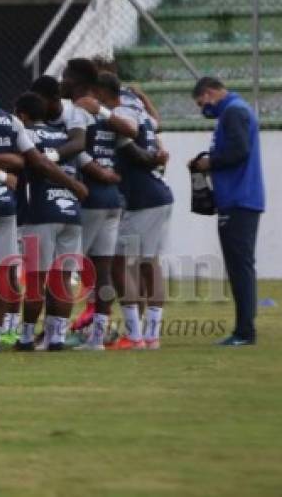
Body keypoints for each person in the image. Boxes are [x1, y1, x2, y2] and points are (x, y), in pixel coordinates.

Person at [0, 69, 88, 352]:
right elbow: (26, 160)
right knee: (5, 272)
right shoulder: (12, 122)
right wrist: (74, 185)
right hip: (11, 206)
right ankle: (0, 337)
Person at [59, 58, 136, 350]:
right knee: (101, 271)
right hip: (112, 200)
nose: (61, 82)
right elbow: (132, 132)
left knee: (66, 268)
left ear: (76, 82)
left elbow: (77, 150)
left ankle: (55, 332)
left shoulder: (77, 111)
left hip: (90, 198)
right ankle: (96, 339)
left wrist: (96, 171)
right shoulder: (105, 113)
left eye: (65, 77)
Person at [94, 72, 171, 350]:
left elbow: (134, 143)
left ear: (102, 92)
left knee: (119, 264)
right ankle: (150, 336)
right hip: (158, 194)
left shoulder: (120, 116)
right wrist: (145, 99)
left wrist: (152, 159)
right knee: (149, 264)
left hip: (142, 197)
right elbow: (156, 125)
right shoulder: (137, 109)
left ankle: (136, 336)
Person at [189, 76, 265, 347]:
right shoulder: (236, 111)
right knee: (240, 266)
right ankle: (244, 327)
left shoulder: (234, 112)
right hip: (239, 198)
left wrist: (209, 162)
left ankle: (245, 331)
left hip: (238, 199)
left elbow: (239, 151)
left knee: (239, 267)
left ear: (210, 93)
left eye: (202, 103)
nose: (203, 109)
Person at [13, 92, 86, 352]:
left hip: (41, 213)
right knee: (63, 278)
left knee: (36, 279)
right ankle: (56, 338)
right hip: (70, 213)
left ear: (22, 115)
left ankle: (26, 339)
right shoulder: (64, 136)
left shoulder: (27, 135)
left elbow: (36, 164)